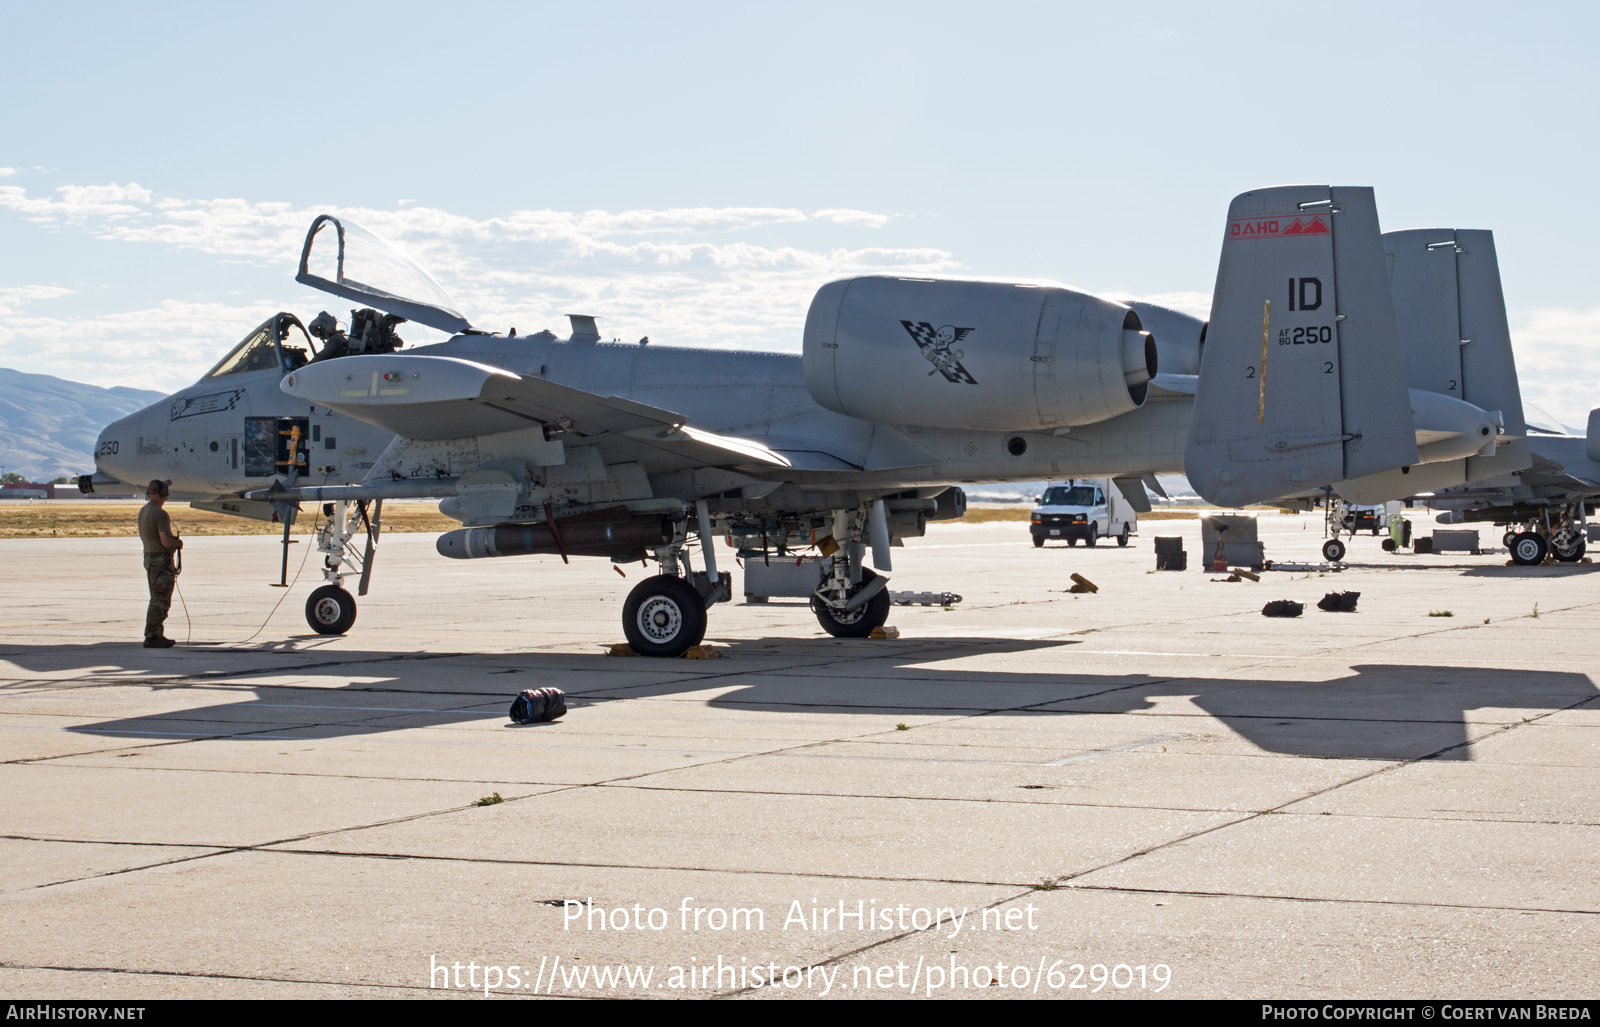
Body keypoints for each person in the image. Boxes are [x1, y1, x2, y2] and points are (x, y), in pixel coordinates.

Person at [138, 479, 183, 648]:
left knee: (156, 596)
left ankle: (154, 633)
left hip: (150, 557)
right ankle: (152, 635)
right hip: (160, 560)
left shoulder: (144, 510)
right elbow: (166, 541)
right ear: (162, 493)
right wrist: (177, 544)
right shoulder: (160, 513)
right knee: (160, 599)